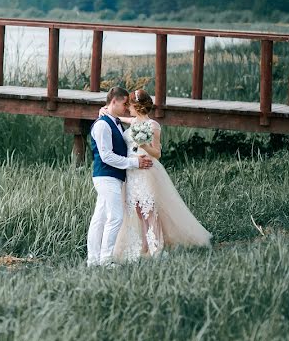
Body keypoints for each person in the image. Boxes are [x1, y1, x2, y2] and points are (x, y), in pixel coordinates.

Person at [103, 89, 212, 262]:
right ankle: (145, 245)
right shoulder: (133, 122)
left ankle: (156, 247)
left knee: (149, 210)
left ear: (136, 106)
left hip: (146, 170)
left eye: (129, 105)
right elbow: (124, 119)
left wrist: (144, 146)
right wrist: (107, 112)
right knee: (138, 210)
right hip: (131, 172)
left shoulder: (153, 126)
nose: (127, 109)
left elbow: (158, 153)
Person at [87, 86, 152, 267]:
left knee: (99, 219)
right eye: (124, 103)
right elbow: (106, 156)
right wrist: (134, 163)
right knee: (115, 217)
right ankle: (106, 260)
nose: (126, 107)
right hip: (106, 176)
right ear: (114, 101)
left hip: (112, 177)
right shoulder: (102, 125)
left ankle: (93, 260)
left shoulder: (113, 121)